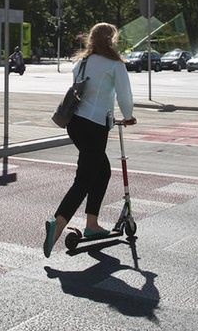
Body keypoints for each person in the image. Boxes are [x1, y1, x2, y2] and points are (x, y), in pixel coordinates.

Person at [43, 22, 135, 258]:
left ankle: (92, 224)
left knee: (101, 171)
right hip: (95, 126)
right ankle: (58, 224)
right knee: (84, 178)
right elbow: (124, 94)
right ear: (111, 40)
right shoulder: (114, 64)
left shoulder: (81, 62)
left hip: (74, 124)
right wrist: (128, 116)